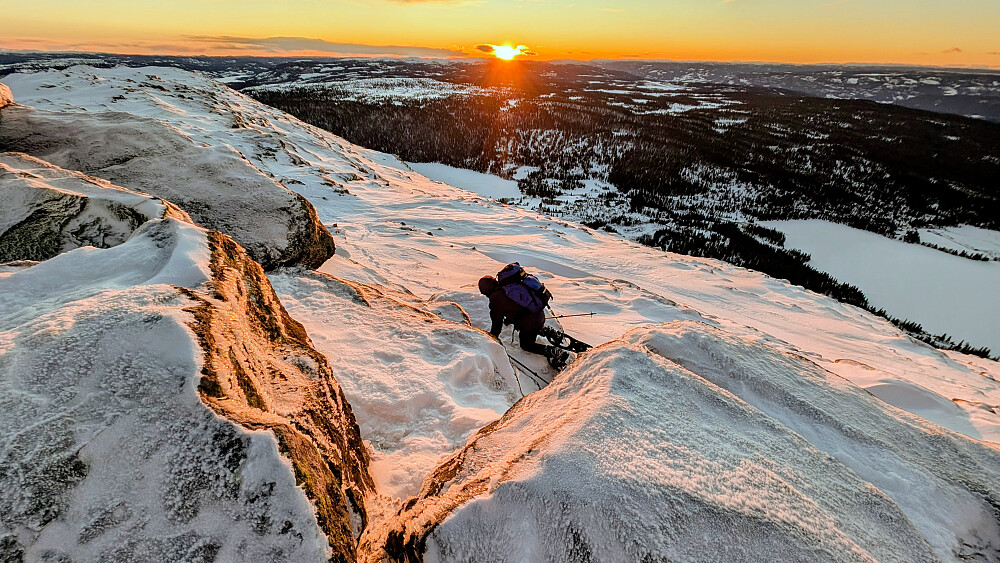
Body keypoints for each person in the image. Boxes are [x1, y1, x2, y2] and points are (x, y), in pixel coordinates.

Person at [478, 275, 551, 355]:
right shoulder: (506, 287)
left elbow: (496, 324)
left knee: (526, 345)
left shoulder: (496, 299)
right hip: (538, 313)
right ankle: (547, 331)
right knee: (530, 327)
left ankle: (553, 351)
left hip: (531, 322)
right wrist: (509, 320)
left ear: (486, 289)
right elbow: (514, 306)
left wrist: (491, 339)